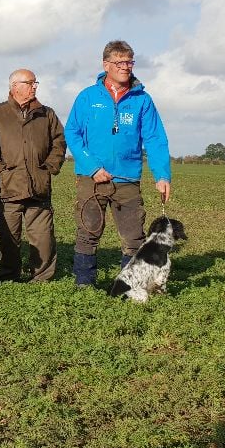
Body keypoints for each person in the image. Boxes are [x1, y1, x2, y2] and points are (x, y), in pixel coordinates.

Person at [64, 40, 171, 287]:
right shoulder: (87, 97)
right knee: (88, 232)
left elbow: (155, 139)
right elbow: (72, 133)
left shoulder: (142, 99)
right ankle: (84, 284)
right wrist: (92, 168)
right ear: (106, 64)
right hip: (91, 179)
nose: (126, 67)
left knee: (133, 238)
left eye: (129, 62)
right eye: (120, 62)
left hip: (127, 179)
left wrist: (162, 175)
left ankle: (129, 285)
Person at [0, 69, 67, 282]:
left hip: (39, 187)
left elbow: (59, 141)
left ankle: (42, 278)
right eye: (30, 82)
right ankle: (9, 277)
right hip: (8, 187)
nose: (35, 86)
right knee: (8, 238)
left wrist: (49, 167)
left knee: (43, 237)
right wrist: (0, 169)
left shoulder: (46, 113)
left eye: (35, 82)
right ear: (15, 86)